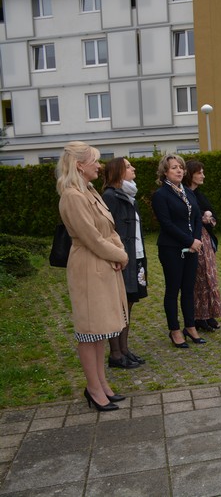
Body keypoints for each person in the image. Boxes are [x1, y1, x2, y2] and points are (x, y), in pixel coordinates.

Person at [56, 141, 128, 411]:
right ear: (79, 165)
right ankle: (93, 389)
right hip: (88, 268)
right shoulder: (72, 196)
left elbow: (108, 229)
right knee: (89, 331)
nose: (99, 165)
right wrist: (120, 256)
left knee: (100, 330)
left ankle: (101, 384)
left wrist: (117, 252)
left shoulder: (89, 191)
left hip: (103, 264)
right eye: (94, 161)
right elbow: (91, 238)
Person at [151, 153, 205, 348]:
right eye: (174, 167)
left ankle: (190, 326)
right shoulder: (161, 195)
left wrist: (196, 240)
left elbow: (197, 217)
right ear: (165, 172)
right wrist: (189, 240)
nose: (179, 170)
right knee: (173, 290)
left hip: (192, 248)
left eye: (181, 167)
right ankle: (174, 329)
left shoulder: (188, 192)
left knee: (189, 289)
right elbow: (166, 224)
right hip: (171, 249)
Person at [102, 157, 147, 370]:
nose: (133, 168)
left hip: (135, 256)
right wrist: (117, 255)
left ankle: (124, 349)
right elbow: (108, 230)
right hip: (122, 258)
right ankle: (116, 354)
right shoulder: (110, 196)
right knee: (118, 305)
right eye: (128, 166)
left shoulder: (129, 196)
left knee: (128, 303)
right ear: (118, 171)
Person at [184, 160, 221, 332]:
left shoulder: (199, 194)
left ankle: (208, 314)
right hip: (193, 240)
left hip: (206, 240)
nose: (203, 176)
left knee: (209, 277)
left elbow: (212, 214)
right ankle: (199, 316)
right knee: (199, 278)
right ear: (190, 174)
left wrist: (209, 217)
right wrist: (202, 216)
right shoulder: (185, 194)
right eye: (199, 172)